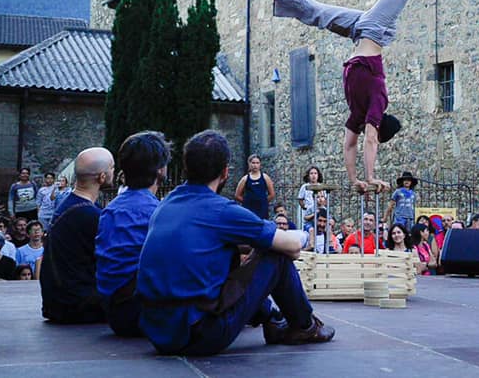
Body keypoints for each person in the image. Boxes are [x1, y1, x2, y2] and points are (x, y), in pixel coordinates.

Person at [230, 0, 458, 193]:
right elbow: (352, 143)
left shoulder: (375, 105)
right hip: (364, 35)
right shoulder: (363, 112)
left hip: (370, 32)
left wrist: (367, 177)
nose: (367, 131)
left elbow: (363, 141)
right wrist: (359, 179)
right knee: (316, 12)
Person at [137, 130, 333, 355]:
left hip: (158, 332)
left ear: (186, 167)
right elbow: (291, 245)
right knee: (275, 255)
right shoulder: (221, 210)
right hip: (198, 334)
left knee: (230, 251)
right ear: (225, 172)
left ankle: (272, 318)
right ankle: (304, 326)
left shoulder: (165, 205)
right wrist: (289, 241)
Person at [95, 131, 169, 337]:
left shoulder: (110, 210)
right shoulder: (157, 212)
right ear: (161, 170)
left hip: (114, 312)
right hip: (141, 313)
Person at [40, 146, 114, 324]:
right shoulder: (90, 215)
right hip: (77, 306)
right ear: (102, 177)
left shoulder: (69, 206)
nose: (115, 171)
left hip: (57, 303)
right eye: (112, 167)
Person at [234, 154, 274, 220]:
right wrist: (247, 202)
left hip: (262, 209)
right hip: (249, 209)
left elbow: (272, 194)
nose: (255, 165)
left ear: (260, 164)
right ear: (249, 164)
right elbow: (237, 195)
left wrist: (263, 201)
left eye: (257, 163)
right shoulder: (245, 179)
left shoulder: (265, 177)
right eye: (253, 163)